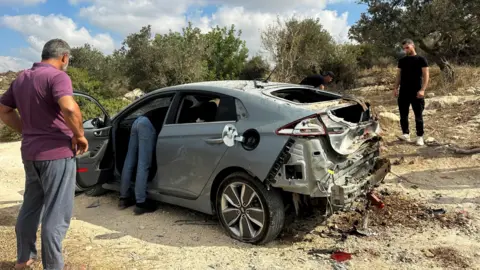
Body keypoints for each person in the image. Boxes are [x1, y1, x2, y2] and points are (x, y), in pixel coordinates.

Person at [0, 39, 88, 270]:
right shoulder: (58, 76)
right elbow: (69, 107)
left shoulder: (21, 78)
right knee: (57, 213)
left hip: (30, 153)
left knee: (31, 205)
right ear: (64, 57)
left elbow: (4, 110)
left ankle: (24, 258)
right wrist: (79, 135)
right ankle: (54, 266)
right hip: (56, 153)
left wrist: (27, 131)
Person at [118, 115, 157, 215]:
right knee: (143, 163)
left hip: (136, 121)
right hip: (146, 124)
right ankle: (141, 203)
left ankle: (124, 198)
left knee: (129, 160)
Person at [393, 39, 430, 146]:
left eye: (407, 47)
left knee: (418, 115)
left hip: (417, 91)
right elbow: (398, 75)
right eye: (404, 48)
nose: (405, 50)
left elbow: (426, 75)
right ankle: (406, 134)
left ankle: (420, 137)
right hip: (404, 91)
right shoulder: (402, 61)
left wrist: (423, 89)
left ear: (413, 46)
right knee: (403, 114)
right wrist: (395, 88)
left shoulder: (421, 59)